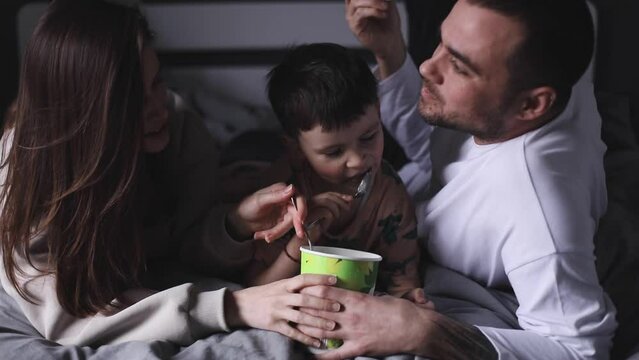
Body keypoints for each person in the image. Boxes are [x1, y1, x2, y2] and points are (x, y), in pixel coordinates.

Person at [0, 0, 341, 349]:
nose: (159, 105)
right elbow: (69, 320)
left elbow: (187, 245)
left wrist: (235, 225)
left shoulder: (179, 126)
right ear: (87, 113)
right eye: (136, 98)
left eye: (158, 82)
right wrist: (234, 306)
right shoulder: (25, 178)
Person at [295, 0, 618, 359]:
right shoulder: (542, 67)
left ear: (531, 106)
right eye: (441, 42)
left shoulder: (537, 210)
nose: (427, 65)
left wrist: (423, 331)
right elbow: (435, 149)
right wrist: (390, 52)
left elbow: (580, 351)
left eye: (460, 67)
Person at [243, 43, 425, 304]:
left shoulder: (390, 198)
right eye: (334, 152)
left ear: (379, 114)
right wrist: (301, 242)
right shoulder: (282, 199)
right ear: (296, 150)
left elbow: (403, 280)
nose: (357, 160)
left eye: (369, 137)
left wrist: (410, 298)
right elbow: (254, 289)